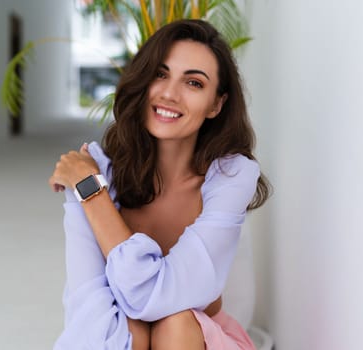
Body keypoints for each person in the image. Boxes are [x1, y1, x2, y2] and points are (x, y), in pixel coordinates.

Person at [49, 19, 270, 350]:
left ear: (216, 104)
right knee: (127, 331)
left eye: (193, 83)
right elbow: (89, 309)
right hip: (109, 340)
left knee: (176, 325)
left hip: (197, 342)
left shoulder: (231, 177)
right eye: (160, 74)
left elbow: (155, 297)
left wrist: (92, 193)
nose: (169, 93)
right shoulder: (97, 166)